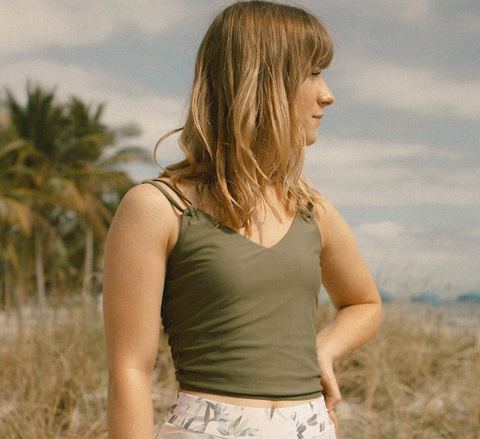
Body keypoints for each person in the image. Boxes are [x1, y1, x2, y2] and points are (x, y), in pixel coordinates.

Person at [103, 1, 382, 438]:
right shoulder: (157, 207)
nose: (327, 93)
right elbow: (129, 371)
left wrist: (321, 350)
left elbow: (364, 303)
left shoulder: (313, 211)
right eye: (312, 73)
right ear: (262, 80)